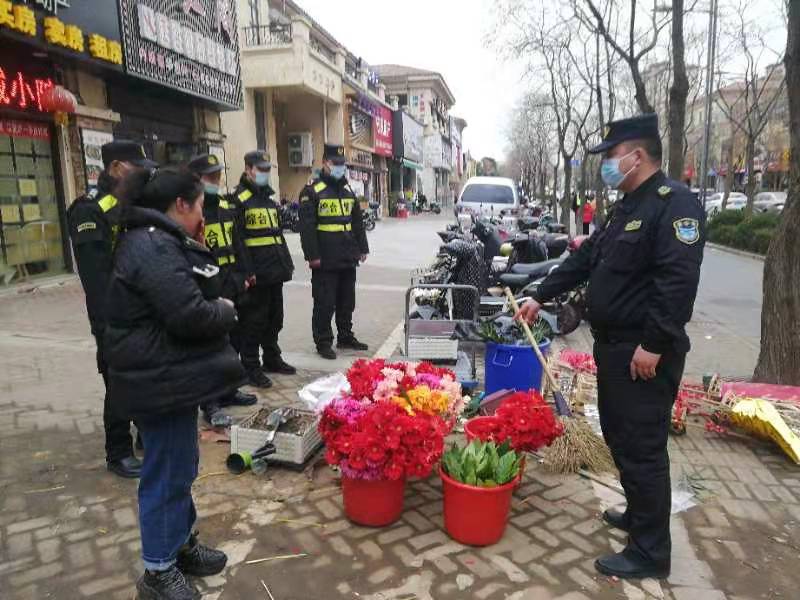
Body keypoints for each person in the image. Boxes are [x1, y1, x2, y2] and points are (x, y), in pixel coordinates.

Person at [516, 114, 705, 580]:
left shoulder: (674, 204)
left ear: (636, 156)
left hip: (643, 354)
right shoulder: (627, 206)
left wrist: (654, 343)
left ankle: (650, 553)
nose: (607, 164)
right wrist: (539, 293)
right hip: (615, 349)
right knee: (621, 438)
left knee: (642, 449)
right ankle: (639, 516)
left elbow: (677, 282)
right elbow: (585, 259)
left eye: (612, 156)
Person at [104, 168, 242, 600]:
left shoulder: (159, 239)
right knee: (165, 473)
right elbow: (188, 314)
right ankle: (158, 571)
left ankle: (180, 545)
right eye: (199, 205)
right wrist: (225, 309)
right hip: (156, 380)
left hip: (168, 375)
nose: (203, 214)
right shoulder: (152, 245)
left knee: (180, 467)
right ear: (180, 205)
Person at [67, 140, 157, 479]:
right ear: (116, 168)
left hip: (138, 309)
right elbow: (97, 278)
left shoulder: (129, 204)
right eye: (137, 169)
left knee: (143, 375)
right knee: (118, 379)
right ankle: (118, 451)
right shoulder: (88, 211)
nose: (142, 176)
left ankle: (145, 433)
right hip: (112, 314)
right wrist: (115, 319)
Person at [187, 154, 258, 424]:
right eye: (210, 177)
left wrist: (247, 273)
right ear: (196, 179)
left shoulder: (226, 205)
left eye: (218, 176)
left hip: (233, 281)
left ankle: (229, 390)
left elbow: (238, 242)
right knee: (211, 346)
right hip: (208, 284)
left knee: (234, 340)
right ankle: (211, 402)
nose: (216, 181)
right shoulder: (191, 211)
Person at [299, 144, 370, 360]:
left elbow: (357, 222)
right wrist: (312, 256)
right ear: (324, 163)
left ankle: (345, 336)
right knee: (325, 302)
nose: (339, 167)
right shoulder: (312, 190)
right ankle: (323, 341)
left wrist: (362, 248)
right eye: (334, 163)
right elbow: (307, 227)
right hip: (325, 258)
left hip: (347, 255)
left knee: (347, 301)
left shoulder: (347, 190)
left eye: (342, 164)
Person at [233, 150, 296, 386]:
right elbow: (238, 241)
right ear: (248, 169)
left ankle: (271, 358)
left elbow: (276, 236)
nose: (265, 174)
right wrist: (247, 271)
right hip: (256, 275)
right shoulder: (238, 201)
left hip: (274, 271)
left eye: (268, 170)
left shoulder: (268, 200)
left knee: (275, 319)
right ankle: (250, 366)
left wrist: (286, 264)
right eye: (261, 169)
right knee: (253, 322)